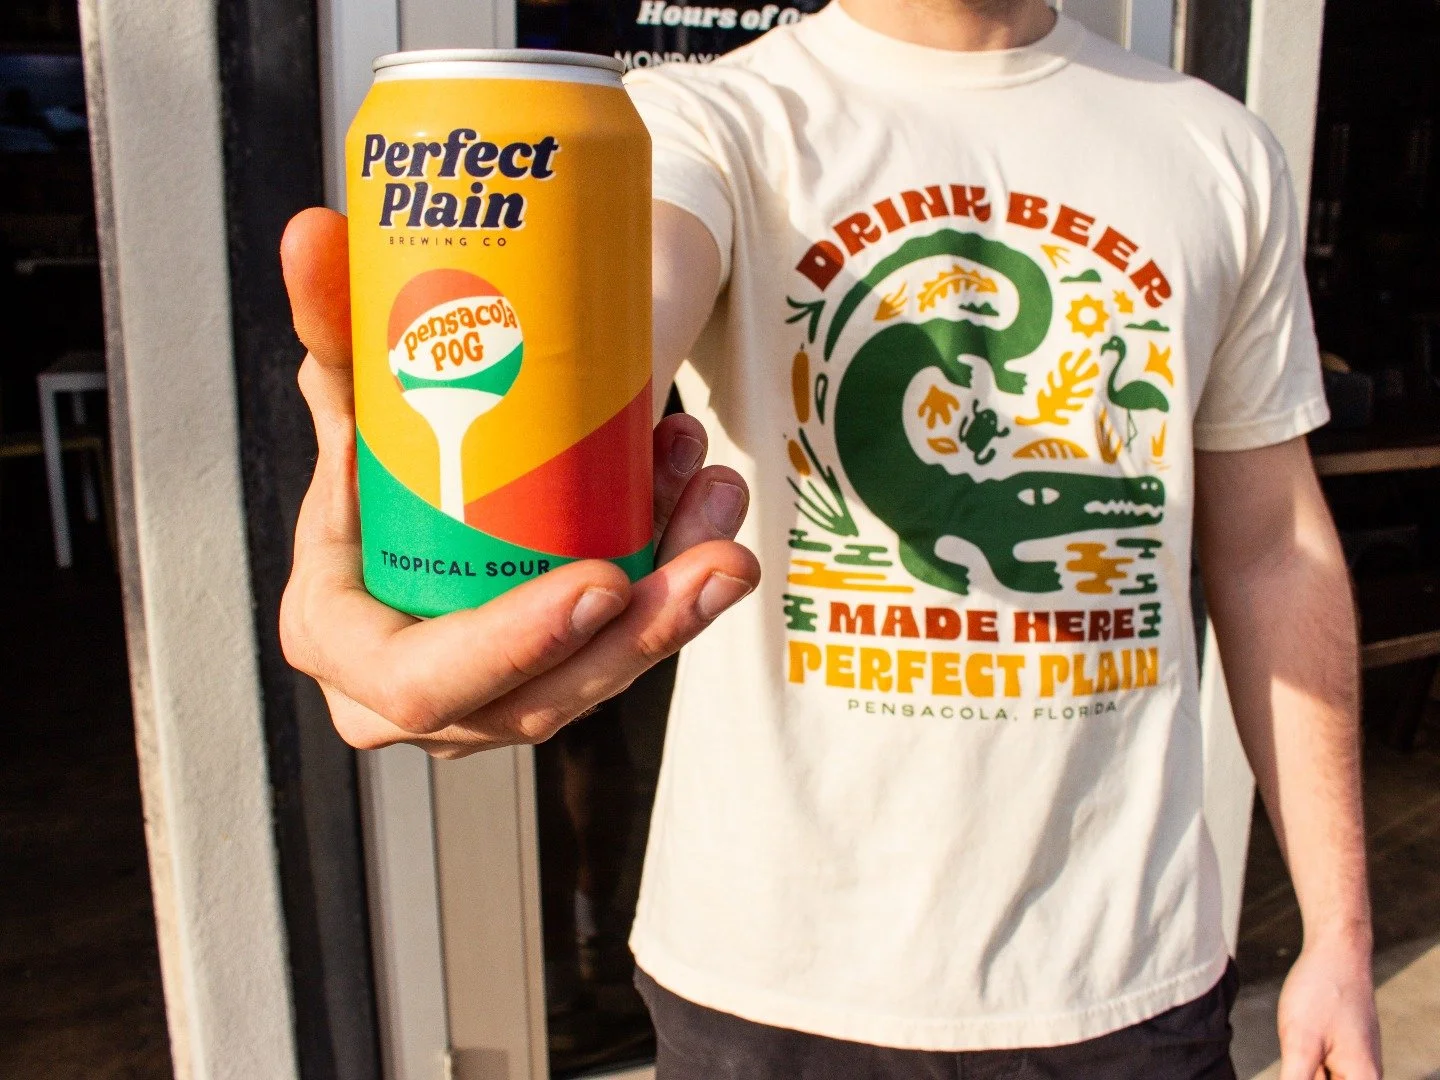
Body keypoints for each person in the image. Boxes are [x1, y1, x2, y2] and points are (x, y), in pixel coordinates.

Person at [278, 1, 1382, 1076]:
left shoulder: (1219, 148)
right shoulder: (706, 120)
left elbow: (1273, 550)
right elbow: (625, 307)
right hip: (766, 983)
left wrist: (1339, 932)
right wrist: (461, 492)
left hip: (1128, 974)